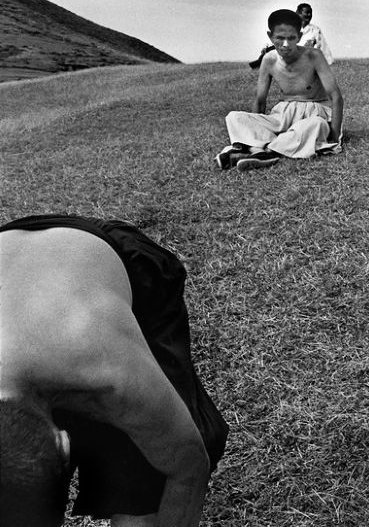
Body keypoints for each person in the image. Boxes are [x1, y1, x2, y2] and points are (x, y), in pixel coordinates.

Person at [0, 214, 229, 526]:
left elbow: (187, 469)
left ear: (64, 444)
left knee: (144, 486)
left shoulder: (112, 373)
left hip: (109, 254)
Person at [217, 9, 344, 171]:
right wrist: (256, 127)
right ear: (270, 36)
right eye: (279, 38)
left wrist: (334, 137)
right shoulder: (269, 60)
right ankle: (259, 150)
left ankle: (263, 151)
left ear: (299, 36)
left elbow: (336, 97)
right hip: (283, 115)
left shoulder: (313, 56)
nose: (285, 44)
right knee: (235, 117)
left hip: (314, 113)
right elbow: (260, 100)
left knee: (316, 125)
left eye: (291, 38)